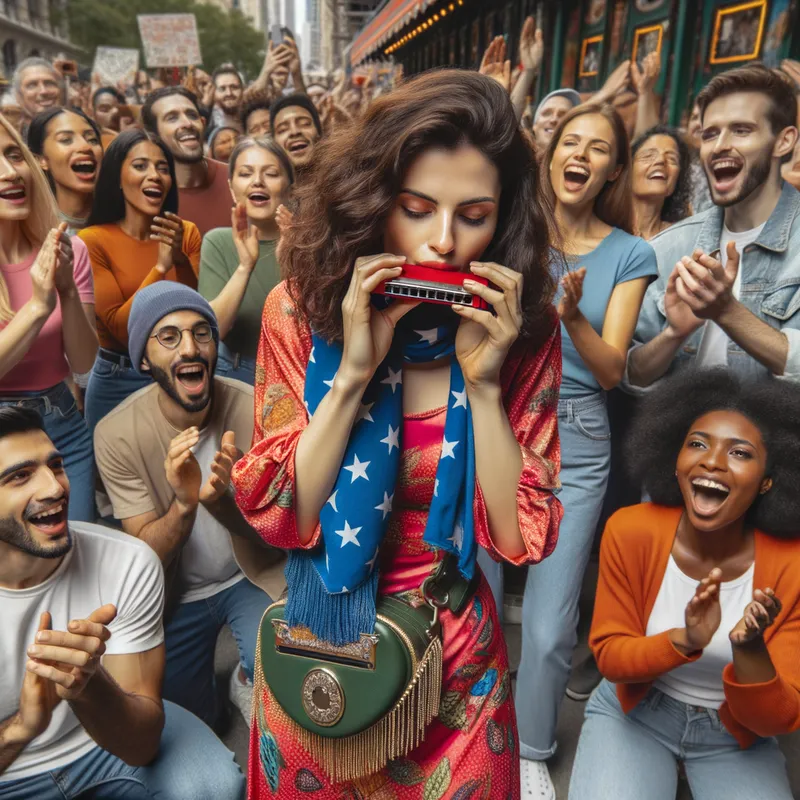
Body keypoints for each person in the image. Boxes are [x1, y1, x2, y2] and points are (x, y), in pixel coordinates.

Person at [232, 69, 563, 799]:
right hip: (325, 640)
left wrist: (482, 383)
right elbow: (285, 514)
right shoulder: (300, 309)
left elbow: (517, 537)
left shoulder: (525, 329)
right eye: (416, 209)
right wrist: (352, 376)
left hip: (455, 657)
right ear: (375, 203)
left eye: (473, 215)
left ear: (504, 219)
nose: (443, 243)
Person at [569, 369, 800, 800]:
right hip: (635, 714)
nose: (712, 461)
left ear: (769, 480)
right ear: (673, 462)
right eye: (697, 443)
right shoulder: (631, 530)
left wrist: (749, 648)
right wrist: (685, 638)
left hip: (736, 735)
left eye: (740, 453)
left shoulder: (792, 564)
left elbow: (778, 719)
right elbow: (612, 659)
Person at [515, 102, 658, 799]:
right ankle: (465, 731)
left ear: (611, 169)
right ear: (549, 153)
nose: (581, 154)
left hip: (578, 430)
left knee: (548, 622)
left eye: (598, 147)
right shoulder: (513, 229)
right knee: (472, 590)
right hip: (499, 416)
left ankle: (529, 751)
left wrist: (571, 318)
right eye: (570, 141)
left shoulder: (631, 253)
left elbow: (613, 371)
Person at [0, 405, 246, 799]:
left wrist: (88, 684)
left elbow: (141, 746)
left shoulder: (127, 561)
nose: (55, 488)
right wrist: (21, 729)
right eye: (19, 476)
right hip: (10, 772)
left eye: (56, 465)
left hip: (100, 744)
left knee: (213, 787)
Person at [94, 283, 285, 728]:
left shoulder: (254, 408)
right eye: (169, 336)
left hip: (249, 575)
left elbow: (281, 539)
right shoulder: (115, 434)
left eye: (202, 333)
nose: (190, 347)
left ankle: (245, 671)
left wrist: (222, 505)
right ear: (143, 359)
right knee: (193, 724)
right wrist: (183, 504)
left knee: (283, 683)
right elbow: (147, 556)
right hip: (176, 594)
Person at [628, 64, 800, 389]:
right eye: (710, 134)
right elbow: (632, 375)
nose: (720, 145)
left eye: (741, 130)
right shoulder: (668, 248)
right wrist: (673, 334)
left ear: (783, 141)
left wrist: (726, 312)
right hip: (677, 436)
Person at [0, 115, 97, 522]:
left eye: (12, 155)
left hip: (64, 428)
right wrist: (39, 305)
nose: (10, 173)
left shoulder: (66, 249)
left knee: (77, 550)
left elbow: (85, 363)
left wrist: (67, 291)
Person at [79, 130, 201, 433]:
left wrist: (180, 259)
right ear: (117, 179)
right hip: (118, 379)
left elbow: (197, 310)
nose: (155, 176)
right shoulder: (92, 240)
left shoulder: (186, 233)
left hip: (179, 372)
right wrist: (160, 267)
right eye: (140, 166)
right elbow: (121, 330)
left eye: (162, 168)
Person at [198, 137, 293, 385]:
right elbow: (213, 329)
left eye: (271, 173)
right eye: (246, 173)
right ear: (231, 188)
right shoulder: (217, 242)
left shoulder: (310, 242)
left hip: (298, 369)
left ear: (289, 187)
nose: (257, 181)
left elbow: (313, 326)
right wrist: (245, 266)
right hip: (237, 373)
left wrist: (293, 257)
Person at [142, 87, 235, 236]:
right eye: (172, 118)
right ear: (154, 135)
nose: (187, 123)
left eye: (192, 115)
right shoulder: (147, 195)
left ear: (203, 123)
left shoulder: (237, 179)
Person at [27, 108, 103, 236]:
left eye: (92, 140)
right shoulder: (30, 229)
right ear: (41, 160)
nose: (85, 147)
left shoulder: (123, 220)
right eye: (66, 140)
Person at [631, 125, 693, 240]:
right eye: (648, 156)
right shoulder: (603, 229)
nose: (660, 160)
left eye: (672, 159)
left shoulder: (683, 238)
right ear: (627, 170)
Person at [270, 93, 322, 172]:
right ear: (274, 143)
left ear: (319, 133)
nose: (294, 132)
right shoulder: (268, 183)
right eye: (283, 129)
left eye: (304, 124)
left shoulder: (342, 179)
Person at [12, 58, 61, 126]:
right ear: (18, 96)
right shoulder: (7, 133)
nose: (44, 91)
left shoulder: (76, 124)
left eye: (49, 83)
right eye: (32, 85)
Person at [210, 66, 244, 132]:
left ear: (242, 90)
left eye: (234, 87)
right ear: (213, 93)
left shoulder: (251, 118)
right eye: (222, 89)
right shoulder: (208, 124)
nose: (229, 93)